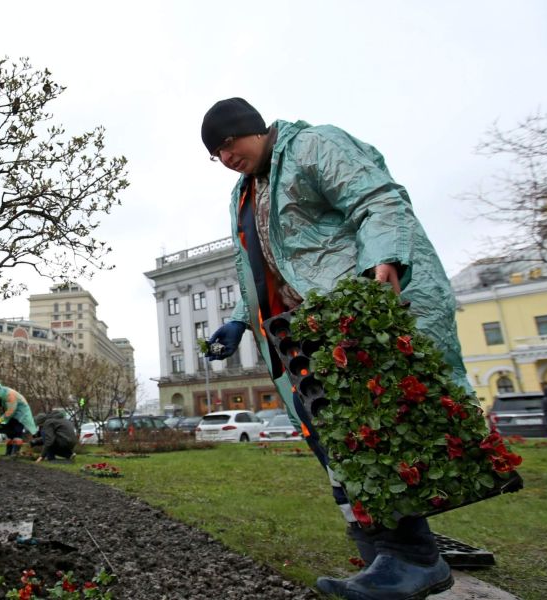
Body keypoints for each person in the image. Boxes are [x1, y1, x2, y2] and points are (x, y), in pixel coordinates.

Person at [200, 98, 463, 599]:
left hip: (348, 314)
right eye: (216, 154)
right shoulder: (245, 193)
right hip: (303, 331)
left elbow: (377, 199)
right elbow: (260, 266)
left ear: (250, 130)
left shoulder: (313, 146)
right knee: (332, 438)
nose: (225, 158)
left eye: (228, 145)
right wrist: (238, 320)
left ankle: (413, 557)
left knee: (365, 433)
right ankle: (382, 549)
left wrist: (384, 256)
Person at [0, 382, 37, 456]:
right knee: (9, 433)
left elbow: (11, 411)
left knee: (17, 433)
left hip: (21, 415)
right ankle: (8, 452)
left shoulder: (11, 395)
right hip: (10, 415)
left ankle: (15, 453)